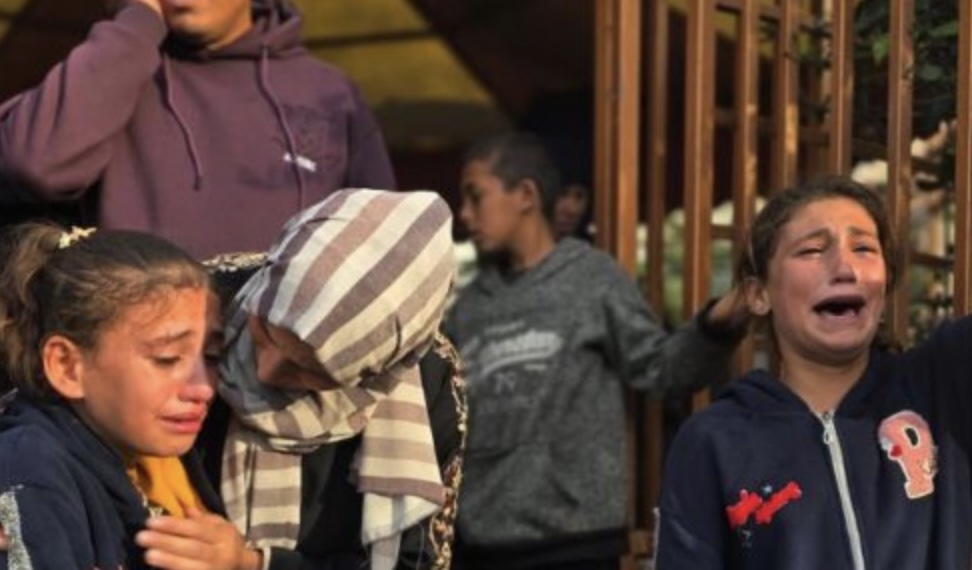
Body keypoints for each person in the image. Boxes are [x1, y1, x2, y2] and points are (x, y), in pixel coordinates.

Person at [444, 132, 748, 569]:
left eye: (476, 196)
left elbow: (661, 368)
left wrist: (717, 324)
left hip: (578, 541)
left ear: (526, 194)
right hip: (481, 545)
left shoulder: (593, 279)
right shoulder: (468, 308)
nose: (464, 213)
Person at [138, 189, 466, 570]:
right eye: (266, 331)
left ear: (375, 371)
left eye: (309, 369)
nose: (266, 372)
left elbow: (414, 561)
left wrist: (254, 563)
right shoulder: (202, 303)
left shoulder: (428, 378)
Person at [655, 176, 972, 568]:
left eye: (864, 248)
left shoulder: (943, 381)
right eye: (811, 250)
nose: (845, 267)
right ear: (758, 294)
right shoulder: (713, 439)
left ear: (885, 282)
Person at [0, 0, 395, 258]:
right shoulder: (113, 69)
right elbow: (35, 166)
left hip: (285, 359)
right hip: (145, 358)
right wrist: (137, 21)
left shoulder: (328, 93)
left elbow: (384, 245)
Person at [0, 222, 236, 569]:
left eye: (212, 356)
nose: (203, 388)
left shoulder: (159, 456)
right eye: (167, 358)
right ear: (67, 366)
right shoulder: (30, 472)